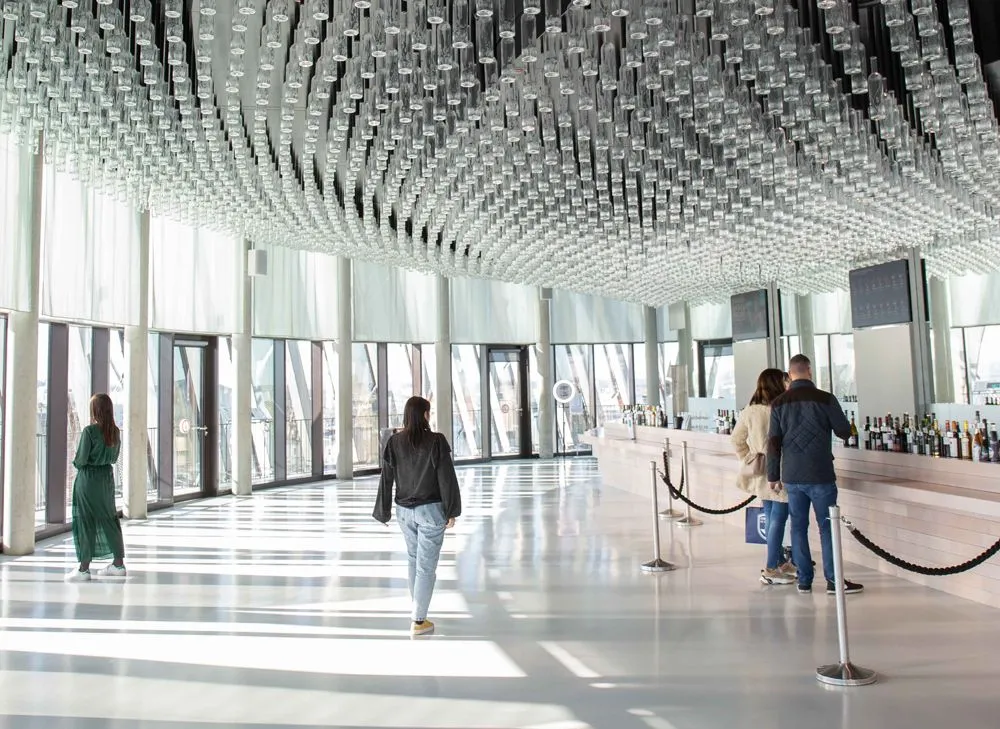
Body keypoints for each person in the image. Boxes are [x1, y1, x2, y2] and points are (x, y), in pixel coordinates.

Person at [767, 354, 863, 596]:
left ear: (789, 375)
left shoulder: (778, 403)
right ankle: (833, 581)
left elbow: (773, 443)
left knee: (798, 527)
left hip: (792, 475)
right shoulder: (826, 399)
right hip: (820, 472)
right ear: (809, 372)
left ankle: (804, 580)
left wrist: (772, 475)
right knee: (827, 527)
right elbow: (844, 432)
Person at [373, 396, 462, 636]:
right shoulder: (436, 441)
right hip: (431, 510)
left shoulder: (394, 442)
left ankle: (417, 610)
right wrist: (452, 510)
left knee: (413, 560)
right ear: (424, 414)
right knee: (425, 567)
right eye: (428, 412)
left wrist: (383, 511)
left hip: (404, 512)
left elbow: (386, 479)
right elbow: (446, 477)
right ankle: (419, 620)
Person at [732, 368, 796, 585]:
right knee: (779, 517)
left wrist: (750, 457)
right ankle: (771, 568)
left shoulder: (750, 410)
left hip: (761, 471)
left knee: (771, 515)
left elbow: (736, 439)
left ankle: (777, 561)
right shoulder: (780, 408)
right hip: (781, 468)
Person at [67, 393, 127, 582]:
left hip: (88, 479)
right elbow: (114, 457)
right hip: (106, 479)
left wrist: (75, 462)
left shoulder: (89, 432)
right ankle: (118, 564)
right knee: (110, 518)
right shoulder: (115, 432)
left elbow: (81, 459)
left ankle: (84, 569)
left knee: (86, 521)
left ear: (96, 410)